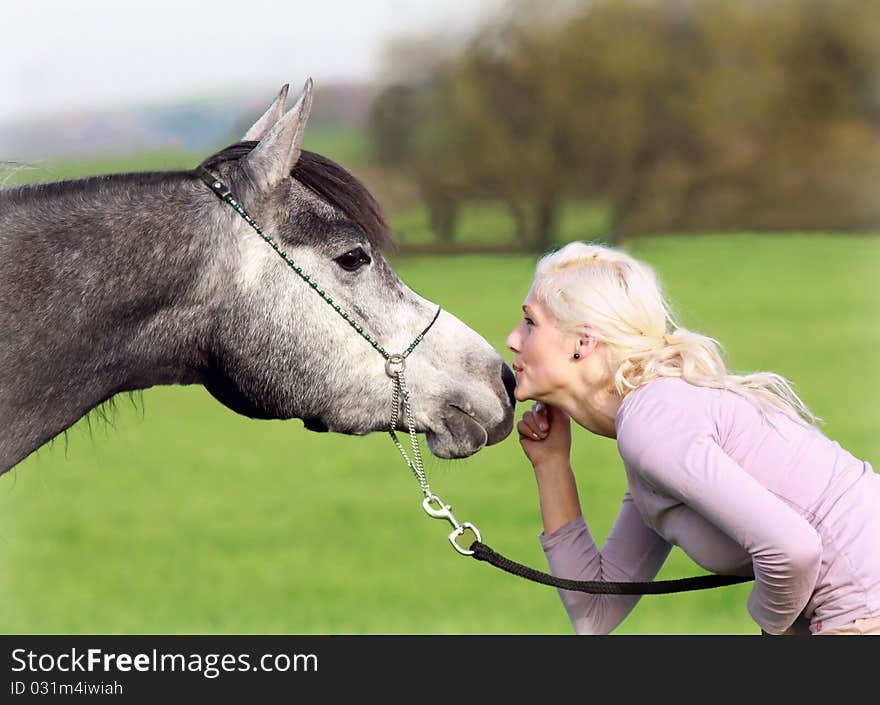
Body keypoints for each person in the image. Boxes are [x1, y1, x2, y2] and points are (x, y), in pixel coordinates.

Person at [506, 241, 880, 635]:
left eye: (530, 322)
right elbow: (595, 612)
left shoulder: (652, 426)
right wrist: (551, 466)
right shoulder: (653, 428)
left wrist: (773, 627)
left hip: (862, 604)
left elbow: (794, 551)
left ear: (583, 342)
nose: (513, 338)